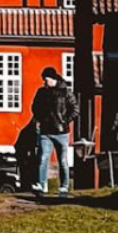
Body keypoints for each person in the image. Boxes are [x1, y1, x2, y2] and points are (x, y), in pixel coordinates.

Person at [30, 66, 77, 197]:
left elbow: (75, 108)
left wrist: (65, 121)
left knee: (62, 160)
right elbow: (34, 107)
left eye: (46, 80)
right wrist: (40, 119)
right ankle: (41, 184)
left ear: (53, 78)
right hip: (46, 131)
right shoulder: (41, 92)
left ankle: (64, 186)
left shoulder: (66, 92)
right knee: (43, 158)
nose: (44, 83)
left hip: (61, 132)